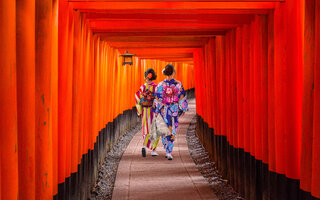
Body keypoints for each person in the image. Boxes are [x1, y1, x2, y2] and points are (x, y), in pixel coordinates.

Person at [153, 64, 189, 160]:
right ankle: (169, 151)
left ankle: (166, 149)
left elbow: (157, 98)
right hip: (173, 109)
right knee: (172, 128)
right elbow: (182, 96)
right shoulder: (178, 84)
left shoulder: (160, 85)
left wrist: (157, 110)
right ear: (173, 73)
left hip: (164, 109)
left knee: (165, 128)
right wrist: (183, 108)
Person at [135, 68, 160, 157]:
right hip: (154, 110)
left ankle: (144, 146)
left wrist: (139, 110)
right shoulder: (156, 87)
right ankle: (153, 150)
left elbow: (137, 97)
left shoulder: (142, 87)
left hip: (145, 110)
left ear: (146, 77)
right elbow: (159, 99)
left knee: (146, 128)